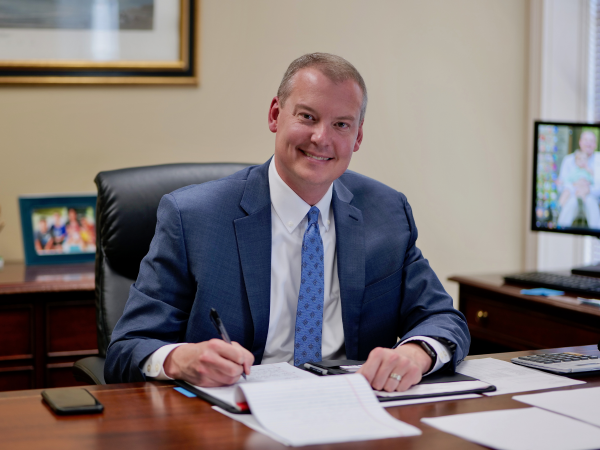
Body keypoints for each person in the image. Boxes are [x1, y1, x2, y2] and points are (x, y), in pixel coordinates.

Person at [105, 53, 470, 393]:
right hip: (236, 418)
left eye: (341, 124)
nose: (321, 138)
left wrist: (414, 354)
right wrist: (180, 360)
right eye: (307, 117)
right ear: (275, 115)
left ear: (357, 137)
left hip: (352, 412)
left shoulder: (387, 213)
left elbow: (442, 318)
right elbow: (127, 348)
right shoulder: (193, 217)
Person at [557, 131, 600, 228]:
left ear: (595, 144)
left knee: (591, 204)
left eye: (591, 141)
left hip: (592, 197)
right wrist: (576, 187)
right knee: (571, 203)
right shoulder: (568, 160)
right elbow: (561, 185)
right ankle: (560, 229)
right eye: (585, 140)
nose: (588, 143)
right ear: (580, 142)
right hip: (572, 195)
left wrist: (588, 190)